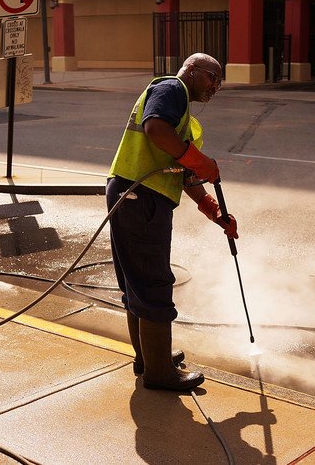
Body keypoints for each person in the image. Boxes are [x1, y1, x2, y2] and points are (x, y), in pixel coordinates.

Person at [107, 53, 238, 392]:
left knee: (138, 282)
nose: (215, 87)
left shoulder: (182, 113)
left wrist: (212, 209)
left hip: (134, 195)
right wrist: (199, 159)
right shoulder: (172, 88)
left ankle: (149, 359)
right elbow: (156, 129)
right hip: (140, 197)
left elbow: (182, 173)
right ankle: (159, 373)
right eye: (213, 78)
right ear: (193, 71)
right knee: (152, 283)